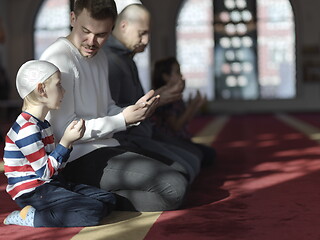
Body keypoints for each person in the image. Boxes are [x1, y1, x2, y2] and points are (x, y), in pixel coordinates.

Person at [40, 0, 188, 211]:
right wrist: (121, 120)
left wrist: (133, 112)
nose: (92, 42)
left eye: (101, 35)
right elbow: (63, 131)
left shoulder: (100, 57)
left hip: (107, 146)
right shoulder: (59, 58)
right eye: (86, 31)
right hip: (74, 158)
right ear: (73, 19)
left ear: (112, 29)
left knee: (182, 172)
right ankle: (79, 193)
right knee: (174, 189)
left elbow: (107, 107)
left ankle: (90, 196)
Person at [3, 60, 116, 227]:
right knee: (92, 212)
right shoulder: (26, 129)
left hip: (51, 183)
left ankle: (53, 211)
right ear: (41, 90)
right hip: (33, 191)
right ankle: (31, 217)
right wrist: (66, 141)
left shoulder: (42, 124)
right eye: (59, 85)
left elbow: (55, 168)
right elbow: (44, 172)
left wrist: (66, 144)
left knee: (108, 200)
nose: (64, 91)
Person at [103, 3, 203, 182]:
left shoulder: (127, 59)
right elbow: (110, 112)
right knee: (185, 172)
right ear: (123, 26)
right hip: (128, 141)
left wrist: (158, 96)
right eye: (142, 33)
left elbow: (134, 102)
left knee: (194, 162)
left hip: (143, 134)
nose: (147, 40)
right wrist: (157, 98)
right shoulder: (110, 61)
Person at [152, 57, 216, 167]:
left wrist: (194, 106)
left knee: (208, 153)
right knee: (205, 155)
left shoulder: (176, 96)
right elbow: (176, 126)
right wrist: (191, 107)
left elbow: (184, 121)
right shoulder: (166, 98)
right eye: (177, 72)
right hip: (169, 141)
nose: (181, 75)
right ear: (165, 77)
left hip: (180, 139)